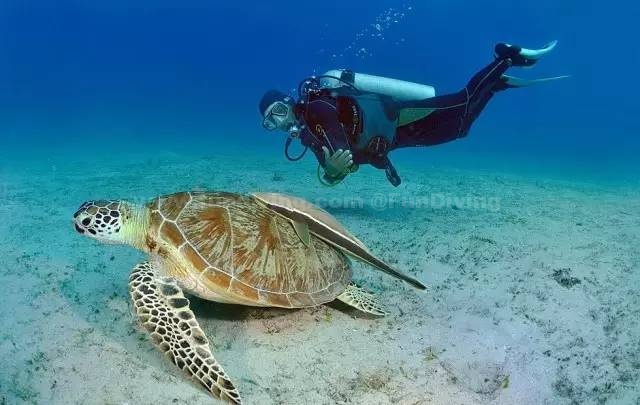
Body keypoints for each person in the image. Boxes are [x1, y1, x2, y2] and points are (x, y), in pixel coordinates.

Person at [259, 41, 565, 186]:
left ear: (289, 101)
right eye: (270, 121)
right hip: (396, 138)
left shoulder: (317, 107)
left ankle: (505, 58)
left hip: (400, 116)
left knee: (463, 101)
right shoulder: (308, 136)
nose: (279, 120)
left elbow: (340, 147)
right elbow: (337, 172)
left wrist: (335, 164)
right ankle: (495, 85)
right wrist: (332, 171)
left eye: (279, 111)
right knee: (460, 129)